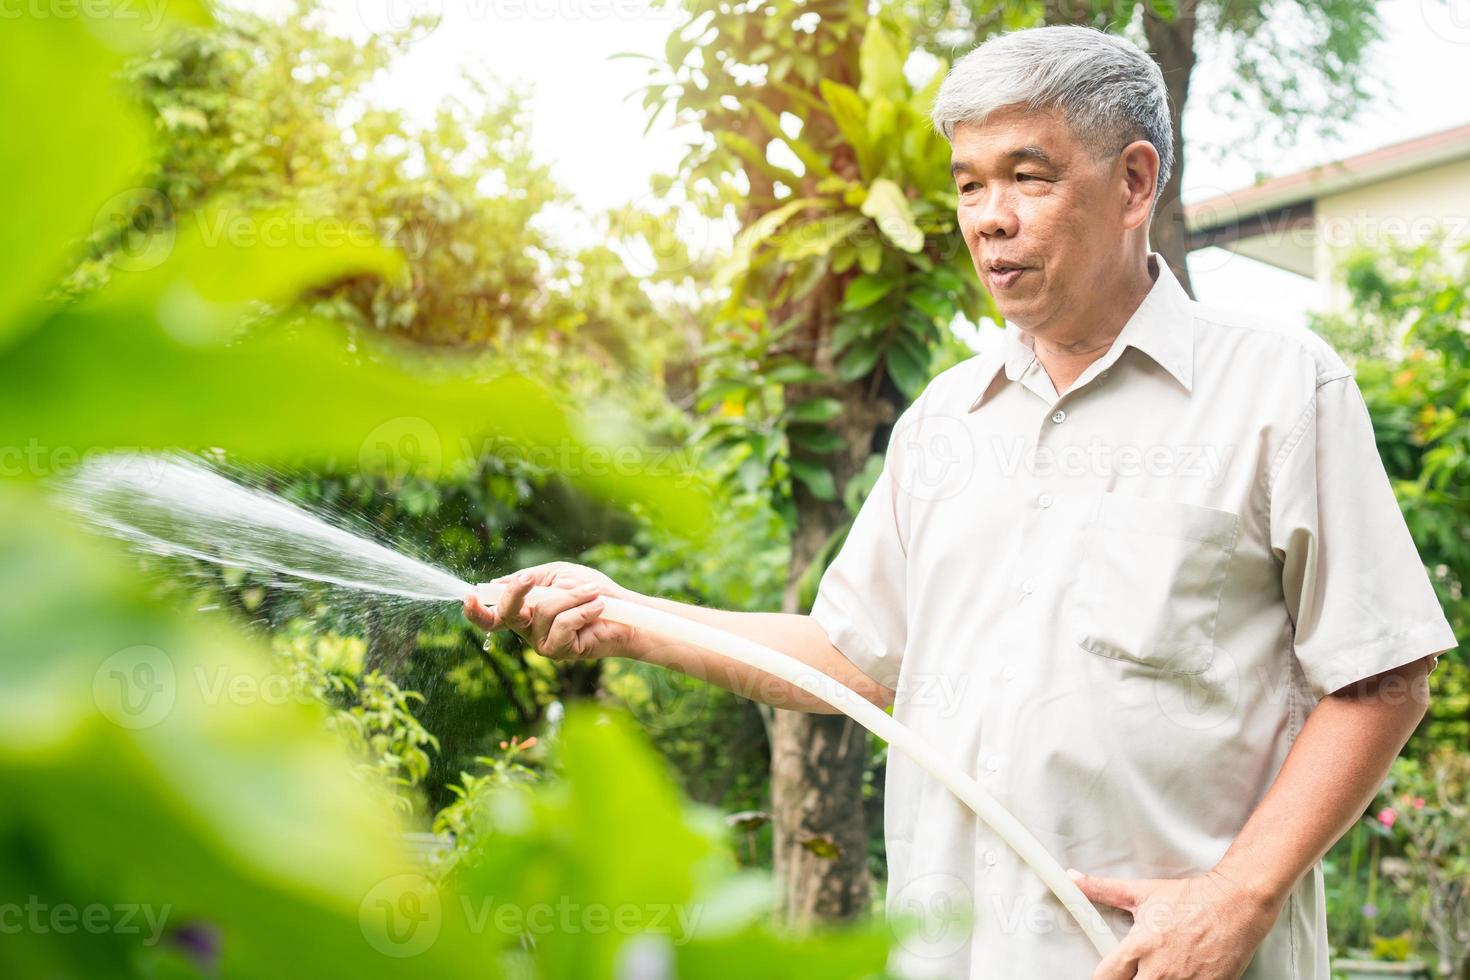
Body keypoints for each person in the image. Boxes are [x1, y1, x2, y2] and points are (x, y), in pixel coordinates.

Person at [464, 23, 1458, 979]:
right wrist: (623, 613)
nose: (990, 216)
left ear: (1135, 182)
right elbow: (851, 657)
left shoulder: (1280, 389)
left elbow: (1380, 673)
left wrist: (1240, 893)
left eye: (1030, 175)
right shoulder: (945, 421)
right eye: (970, 184)